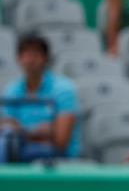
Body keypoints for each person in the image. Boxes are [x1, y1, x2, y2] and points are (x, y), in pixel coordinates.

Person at [1, 34, 79, 162]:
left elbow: (61, 140)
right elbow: (8, 132)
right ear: (18, 58)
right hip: (17, 152)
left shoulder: (64, 89)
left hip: (59, 158)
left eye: (36, 54)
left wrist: (22, 132)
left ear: (46, 58)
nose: (31, 59)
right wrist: (38, 132)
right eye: (26, 54)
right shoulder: (12, 90)